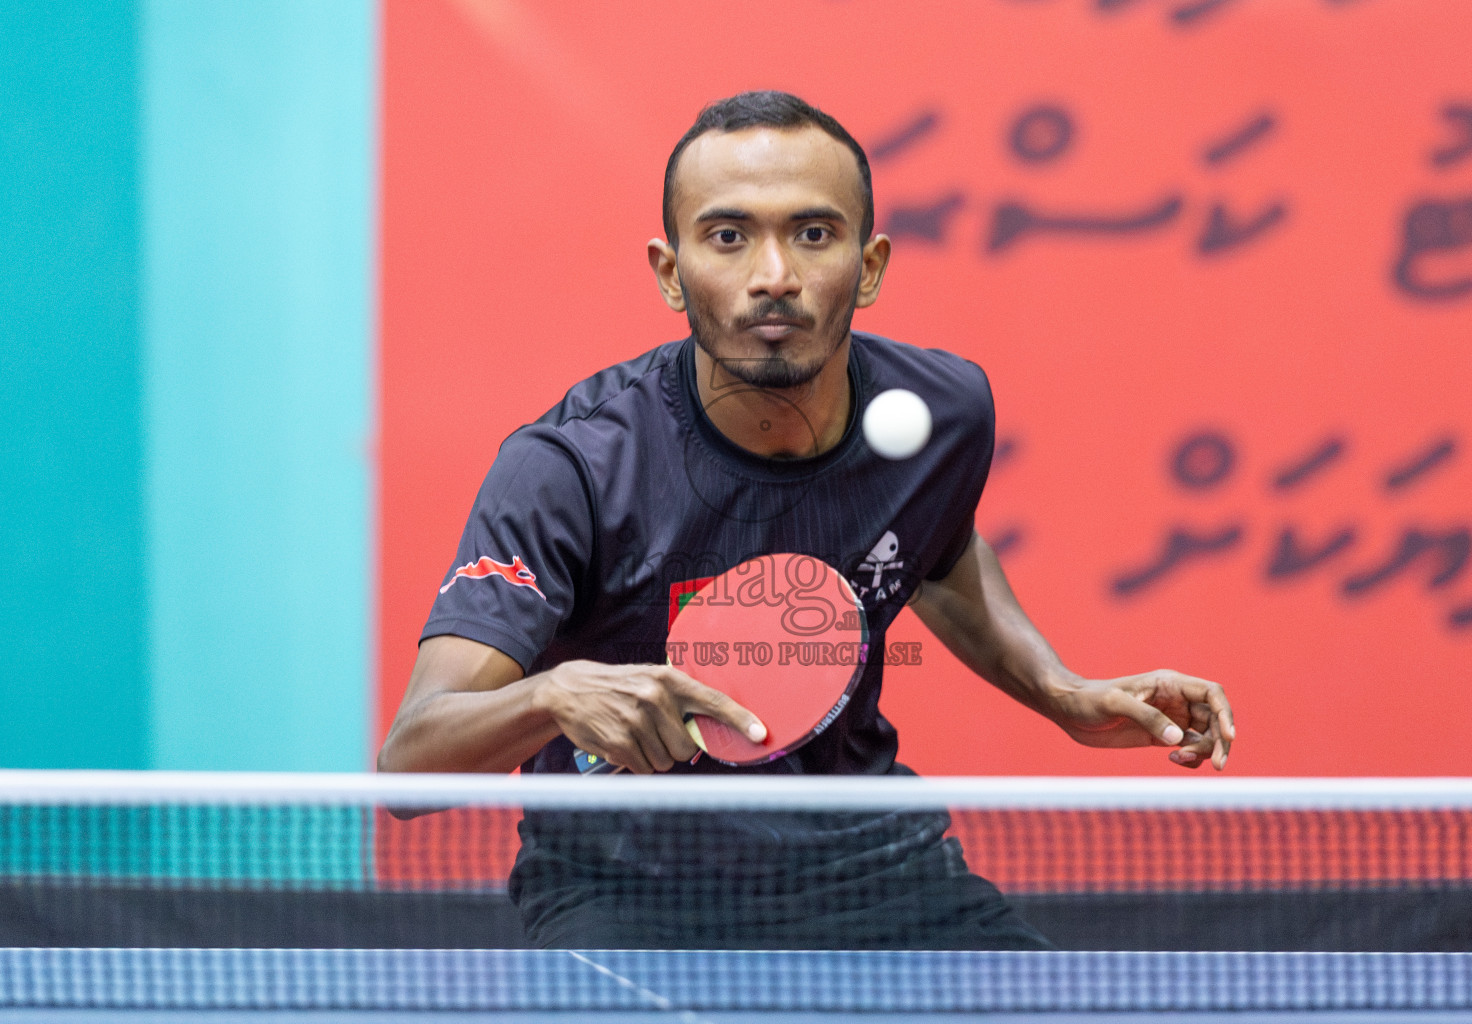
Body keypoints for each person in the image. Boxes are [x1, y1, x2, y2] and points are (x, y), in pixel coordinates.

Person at [378, 91, 1235, 949]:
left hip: (872, 867)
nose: (774, 275)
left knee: (1068, 1010)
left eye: (814, 234)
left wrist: (1060, 691)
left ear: (870, 265)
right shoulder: (572, 469)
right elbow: (411, 762)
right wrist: (553, 694)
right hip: (628, 886)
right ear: (670, 273)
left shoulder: (943, 416)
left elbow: (937, 561)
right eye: (728, 236)